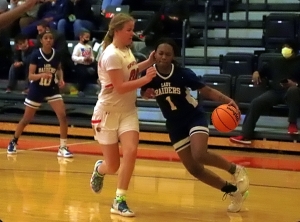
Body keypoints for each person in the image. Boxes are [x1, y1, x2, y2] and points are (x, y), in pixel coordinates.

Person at [140, 38, 249, 213]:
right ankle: (233, 192)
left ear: (173, 56)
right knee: (194, 169)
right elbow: (143, 92)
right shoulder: (149, 74)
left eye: (168, 54)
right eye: (160, 53)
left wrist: (229, 101)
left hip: (193, 117)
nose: (163, 57)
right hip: (175, 125)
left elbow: (207, 91)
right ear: (154, 54)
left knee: (199, 154)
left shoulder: (183, 73)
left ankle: (236, 169)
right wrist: (146, 93)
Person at [89, 13, 156, 217]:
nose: (132, 34)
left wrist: (147, 64)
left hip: (127, 112)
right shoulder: (110, 54)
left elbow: (130, 71)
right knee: (113, 165)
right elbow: (120, 86)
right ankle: (100, 169)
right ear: (117, 30)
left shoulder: (126, 50)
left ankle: (119, 200)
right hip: (108, 112)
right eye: (129, 29)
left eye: (133, 29)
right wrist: (146, 80)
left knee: (131, 151)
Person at [7, 30, 73, 158]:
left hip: (51, 88)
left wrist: (61, 79)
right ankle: (13, 141)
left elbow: (59, 69)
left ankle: (63, 147)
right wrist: (42, 75)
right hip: (37, 88)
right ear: (41, 41)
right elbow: (30, 75)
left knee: (63, 116)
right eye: (46, 38)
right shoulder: (35, 55)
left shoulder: (57, 54)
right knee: (26, 119)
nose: (49, 40)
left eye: (50, 38)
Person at [230, 40, 300, 145]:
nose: (285, 49)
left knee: (293, 91)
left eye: (288, 47)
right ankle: (246, 134)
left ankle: (293, 125)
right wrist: (256, 73)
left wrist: (295, 85)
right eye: (284, 46)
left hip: (295, 92)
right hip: (276, 92)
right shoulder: (276, 62)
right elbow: (261, 72)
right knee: (256, 102)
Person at [71, 30, 96, 96]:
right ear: (81, 37)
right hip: (80, 65)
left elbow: (93, 57)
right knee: (83, 73)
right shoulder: (77, 47)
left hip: (89, 64)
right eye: (86, 37)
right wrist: (83, 59)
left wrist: (91, 59)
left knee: (96, 70)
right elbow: (73, 57)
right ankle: (80, 90)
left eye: (88, 37)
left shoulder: (89, 47)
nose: (88, 39)